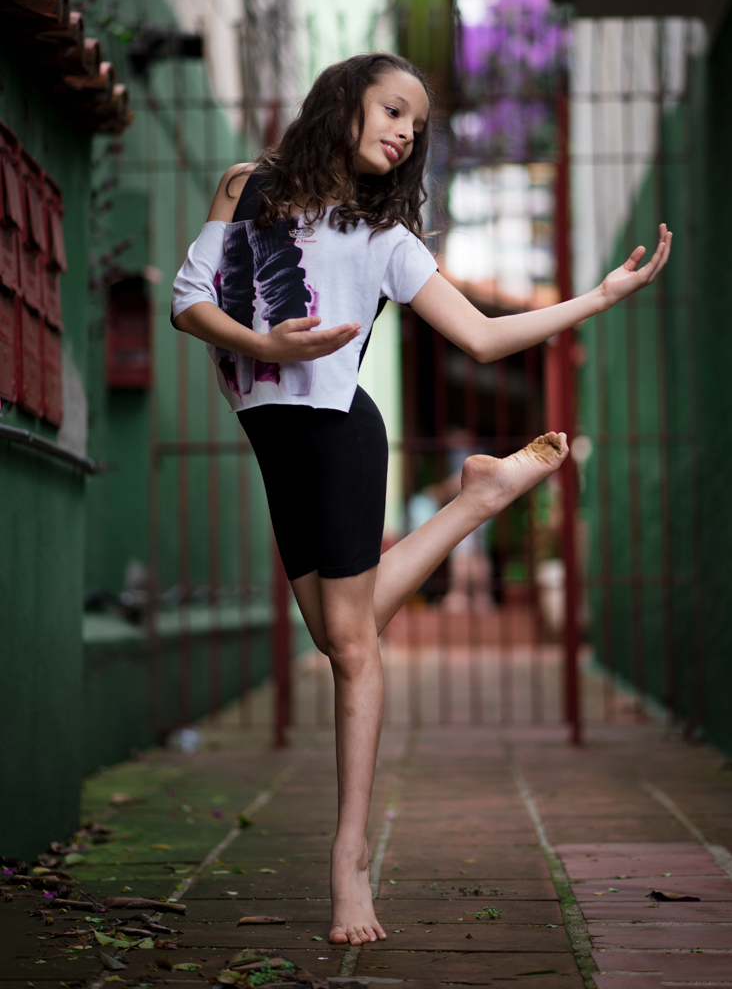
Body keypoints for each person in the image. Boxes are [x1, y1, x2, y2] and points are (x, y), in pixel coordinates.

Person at [171, 52, 671, 947]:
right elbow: (187, 302)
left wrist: (598, 298)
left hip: (339, 436)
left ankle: (350, 860)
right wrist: (267, 346)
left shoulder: (386, 240)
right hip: (273, 438)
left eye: (417, 124)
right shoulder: (247, 187)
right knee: (340, 633)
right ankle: (479, 497)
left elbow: (482, 337)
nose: (405, 132)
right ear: (343, 102)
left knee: (353, 648)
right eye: (393, 109)